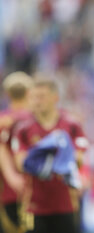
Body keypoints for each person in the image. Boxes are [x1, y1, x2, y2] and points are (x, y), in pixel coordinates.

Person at [11, 77, 88, 233]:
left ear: (55, 98)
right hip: (34, 205)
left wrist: (39, 158)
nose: (36, 101)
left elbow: (78, 160)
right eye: (33, 97)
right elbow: (21, 164)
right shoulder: (23, 129)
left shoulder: (72, 125)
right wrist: (58, 155)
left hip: (66, 204)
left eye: (41, 97)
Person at [0, 72, 33, 233]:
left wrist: (11, 177)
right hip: (35, 190)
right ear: (30, 93)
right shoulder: (35, 119)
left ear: (7, 94)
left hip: (7, 191)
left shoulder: (2, 120)